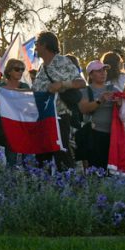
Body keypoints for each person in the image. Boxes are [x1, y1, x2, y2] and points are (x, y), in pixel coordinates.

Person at [32, 31, 86, 171]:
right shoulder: (41, 68)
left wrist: (62, 84)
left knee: (61, 153)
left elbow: (81, 83)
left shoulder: (63, 62)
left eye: (37, 44)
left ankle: (69, 181)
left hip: (59, 117)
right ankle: (43, 182)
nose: (35, 48)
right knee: (42, 156)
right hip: (43, 118)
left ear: (44, 44)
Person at [77, 60, 119, 170]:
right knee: (95, 170)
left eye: (104, 70)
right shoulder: (86, 90)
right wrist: (100, 100)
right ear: (91, 75)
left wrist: (120, 104)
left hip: (113, 135)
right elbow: (83, 109)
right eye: (99, 71)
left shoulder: (113, 89)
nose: (103, 73)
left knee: (111, 170)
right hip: (94, 135)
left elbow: (124, 110)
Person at [0, 58, 32, 165]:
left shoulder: (25, 87)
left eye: (22, 69)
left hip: (23, 127)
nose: (20, 72)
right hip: (7, 128)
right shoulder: (0, 88)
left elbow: (29, 105)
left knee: (27, 161)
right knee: (11, 159)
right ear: (9, 71)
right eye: (17, 69)